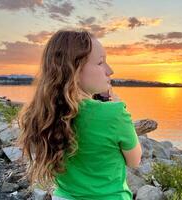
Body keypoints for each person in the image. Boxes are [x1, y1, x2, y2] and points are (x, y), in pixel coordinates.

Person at [16, 29, 142, 200]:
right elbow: (134, 161)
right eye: (100, 63)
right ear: (74, 70)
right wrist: (115, 108)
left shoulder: (46, 112)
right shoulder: (114, 112)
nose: (109, 70)